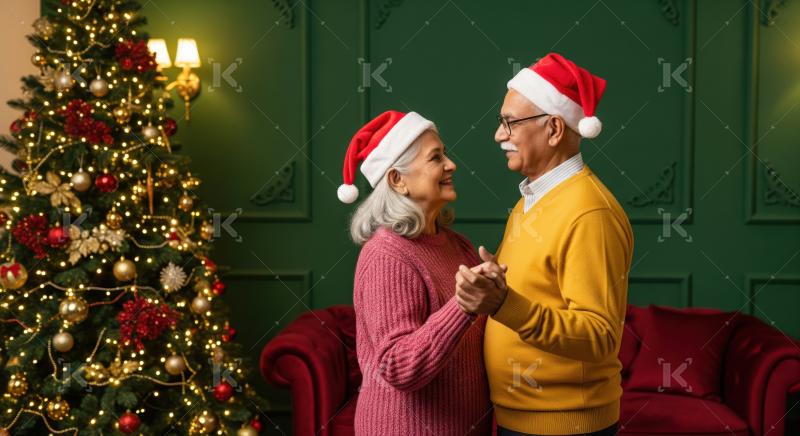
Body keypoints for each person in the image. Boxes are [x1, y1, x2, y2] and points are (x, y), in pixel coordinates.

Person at [455, 53, 634, 436]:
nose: (498, 135)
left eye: (509, 123)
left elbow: (599, 335)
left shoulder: (589, 213)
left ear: (553, 129)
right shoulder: (530, 201)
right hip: (523, 419)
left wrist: (504, 304)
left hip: (565, 427)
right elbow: (534, 291)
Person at [337, 110, 497, 435]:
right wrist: (463, 305)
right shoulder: (386, 255)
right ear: (398, 180)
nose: (451, 165)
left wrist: (496, 292)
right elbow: (400, 367)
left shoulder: (457, 245)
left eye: (445, 154)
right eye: (436, 158)